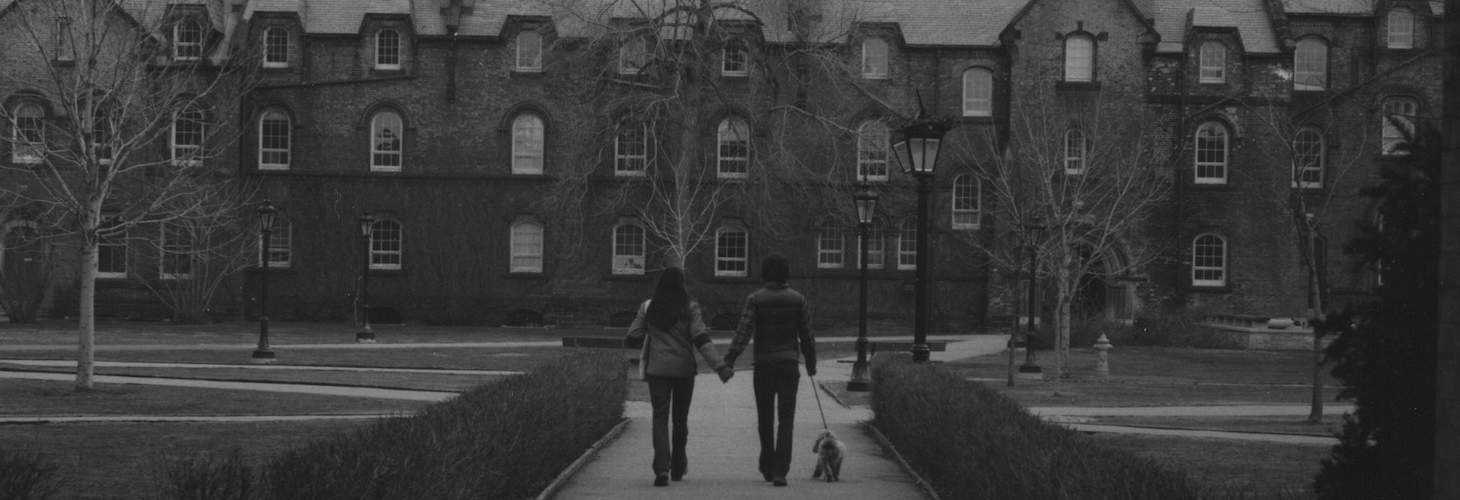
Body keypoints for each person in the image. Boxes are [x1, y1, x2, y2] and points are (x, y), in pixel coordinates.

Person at [626, 267, 734, 487]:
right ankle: (677, 465)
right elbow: (701, 339)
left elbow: (632, 335)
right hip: (684, 370)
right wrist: (720, 367)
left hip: (657, 371)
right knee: (680, 419)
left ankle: (661, 469)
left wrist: (651, 334)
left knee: (659, 418)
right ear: (681, 284)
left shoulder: (648, 307)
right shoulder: (690, 306)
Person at [724, 253, 816, 487]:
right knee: (786, 419)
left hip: (764, 365)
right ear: (786, 274)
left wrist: (730, 358)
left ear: (765, 273)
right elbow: (807, 335)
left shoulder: (755, 299)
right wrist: (812, 362)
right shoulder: (798, 299)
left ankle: (766, 464)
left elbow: (742, 333)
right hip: (788, 364)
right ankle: (780, 471)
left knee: (765, 417)